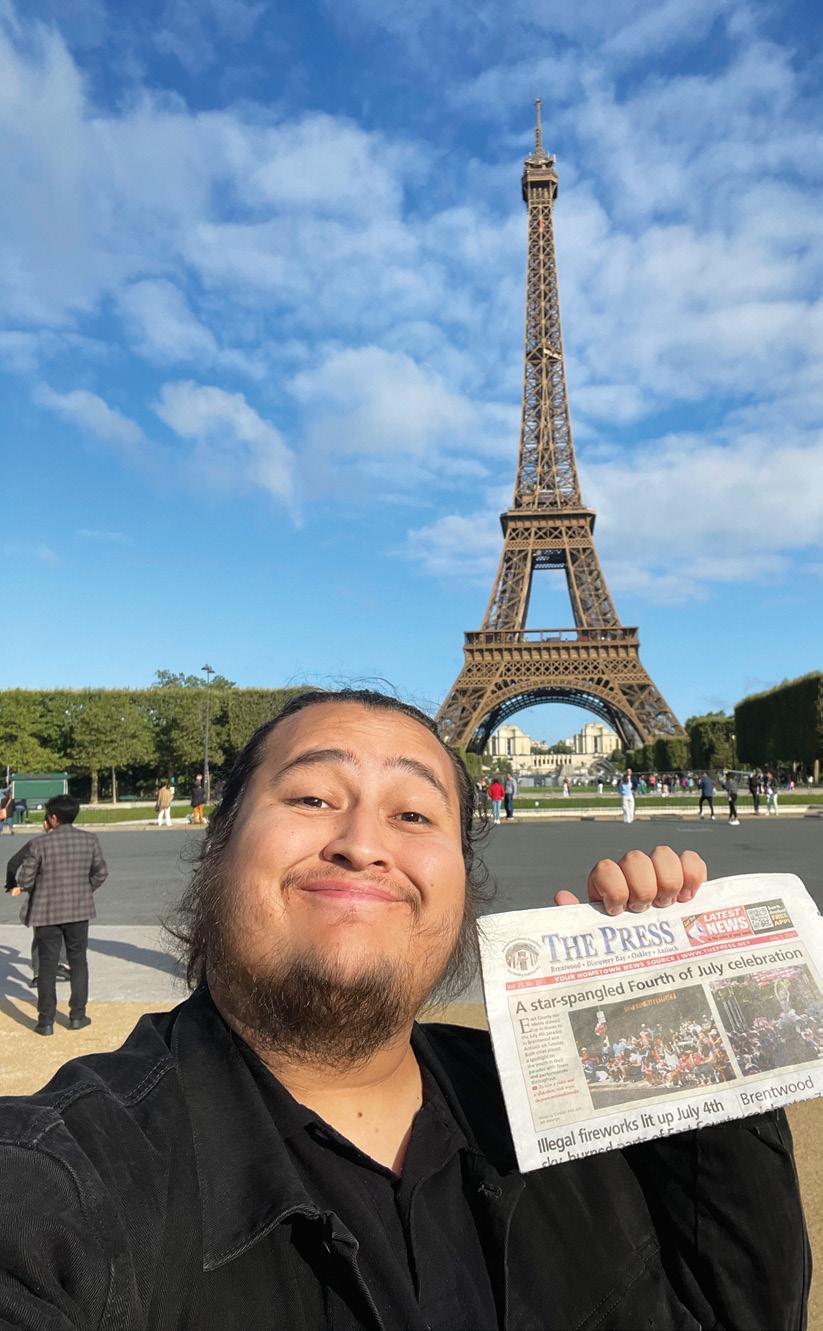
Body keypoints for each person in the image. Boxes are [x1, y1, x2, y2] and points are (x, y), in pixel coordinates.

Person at [0, 689, 808, 1329]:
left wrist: (685, 1001)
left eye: (414, 813)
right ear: (216, 847)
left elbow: (740, 1310)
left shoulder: (582, 1097)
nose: (362, 842)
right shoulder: (57, 1186)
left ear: (463, 881)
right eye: (312, 797)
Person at [11, 794, 108, 1036]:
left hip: (46, 913)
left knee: (46, 965)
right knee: (78, 961)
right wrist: (85, 890)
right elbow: (101, 873)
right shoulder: (89, 840)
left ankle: (45, 1021)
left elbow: (25, 880)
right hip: (79, 910)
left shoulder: (39, 844)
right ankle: (77, 1016)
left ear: (53, 818)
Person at [5, 842, 71, 986]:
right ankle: (61, 964)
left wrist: (12, 885)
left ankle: (39, 973)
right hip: (59, 894)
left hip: (38, 895)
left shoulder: (35, 843)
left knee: (40, 933)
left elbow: (13, 863)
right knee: (61, 928)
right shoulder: (65, 841)